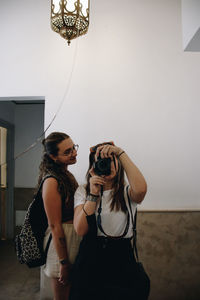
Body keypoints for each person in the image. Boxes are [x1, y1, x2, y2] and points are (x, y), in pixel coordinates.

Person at [69, 141, 148, 300]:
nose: (105, 164)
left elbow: (141, 190)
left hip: (121, 256)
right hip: (90, 255)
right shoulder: (84, 191)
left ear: (118, 164)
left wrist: (119, 152)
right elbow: (81, 230)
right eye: (101, 161)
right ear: (93, 166)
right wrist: (93, 195)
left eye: (110, 160)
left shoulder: (127, 192)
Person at [37, 132, 81, 300]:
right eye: (67, 152)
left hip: (72, 238)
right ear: (53, 156)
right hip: (61, 245)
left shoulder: (67, 176)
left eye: (74, 148)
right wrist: (63, 262)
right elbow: (55, 225)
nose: (74, 153)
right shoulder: (51, 181)